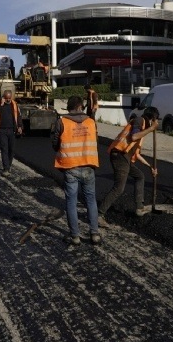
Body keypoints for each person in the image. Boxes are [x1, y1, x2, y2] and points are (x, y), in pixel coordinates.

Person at [97, 107, 159, 227]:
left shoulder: (143, 127)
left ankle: (139, 207)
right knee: (119, 188)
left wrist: (150, 166)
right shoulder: (139, 121)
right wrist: (151, 129)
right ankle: (99, 215)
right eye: (155, 121)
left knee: (140, 176)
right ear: (152, 119)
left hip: (124, 157)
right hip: (120, 156)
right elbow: (134, 137)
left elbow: (136, 154)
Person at [52, 95, 101, 245]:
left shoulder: (62, 122)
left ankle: (75, 236)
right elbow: (95, 140)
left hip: (70, 166)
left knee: (71, 202)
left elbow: (55, 144)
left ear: (69, 107)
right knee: (91, 200)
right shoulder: (91, 122)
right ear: (80, 107)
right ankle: (95, 234)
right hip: (88, 166)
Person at [0, 90, 23, 176]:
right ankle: (6, 168)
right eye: (6, 98)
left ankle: (8, 165)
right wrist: (0, 105)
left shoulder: (14, 105)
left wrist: (20, 126)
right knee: (4, 149)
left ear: (11, 97)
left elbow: (19, 116)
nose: (8, 100)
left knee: (11, 150)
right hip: (2, 130)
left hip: (12, 130)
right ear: (3, 97)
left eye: (9, 98)